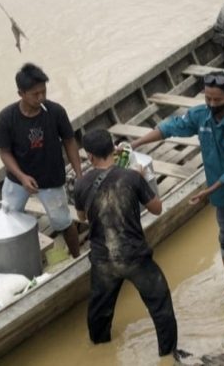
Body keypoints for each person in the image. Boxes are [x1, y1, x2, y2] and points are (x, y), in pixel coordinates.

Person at [130, 73, 224, 294]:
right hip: (221, 193)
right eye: (208, 99)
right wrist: (135, 143)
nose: (212, 105)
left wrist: (207, 192)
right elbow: (170, 128)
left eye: (218, 100)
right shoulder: (200, 115)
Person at [73, 129, 179, 357]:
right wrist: (142, 176)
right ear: (114, 150)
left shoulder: (81, 184)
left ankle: (101, 353)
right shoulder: (132, 177)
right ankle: (168, 355)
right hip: (134, 256)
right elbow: (157, 208)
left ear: (89, 156)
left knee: (99, 313)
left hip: (103, 260)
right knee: (160, 306)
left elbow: (81, 218)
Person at [0, 62, 82, 258]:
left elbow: (69, 140)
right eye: (35, 94)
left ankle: (77, 257)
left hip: (51, 179)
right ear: (21, 94)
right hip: (18, 180)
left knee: (63, 222)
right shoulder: (6, 118)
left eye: (44, 91)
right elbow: (5, 153)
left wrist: (79, 173)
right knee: (9, 219)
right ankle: (15, 259)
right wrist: (22, 177)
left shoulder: (56, 112)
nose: (41, 97)